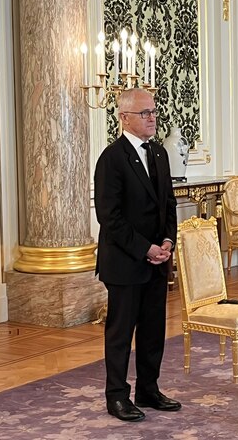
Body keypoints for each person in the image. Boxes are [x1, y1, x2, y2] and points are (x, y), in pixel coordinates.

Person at [94, 88, 180, 422]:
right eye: (145, 113)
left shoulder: (159, 153)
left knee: (152, 330)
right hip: (125, 262)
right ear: (124, 117)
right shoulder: (111, 159)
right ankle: (116, 396)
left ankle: (148, 389)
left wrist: (168, 242)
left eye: (154, 112)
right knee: (120, 333)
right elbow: (109, 217)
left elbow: (169, 205)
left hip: (158, 261)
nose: (152, 118)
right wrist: (146, 248)